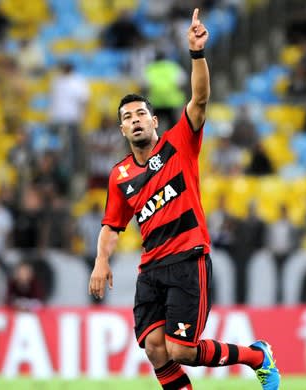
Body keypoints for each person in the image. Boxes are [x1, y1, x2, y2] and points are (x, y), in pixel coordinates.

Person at [88, 9, 280, 390]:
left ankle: (258, 356)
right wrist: (101, 261)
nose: (137, 119)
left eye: (142, 112)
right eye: (129, 116)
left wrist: (196, 54)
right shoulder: (120, 176)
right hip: (151, 269)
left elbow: (200, 98)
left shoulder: (180, 144)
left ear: (155, 121)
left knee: (181, 351)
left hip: (187, 261)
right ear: (123, 129)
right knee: (156, 350)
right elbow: (112, 224)